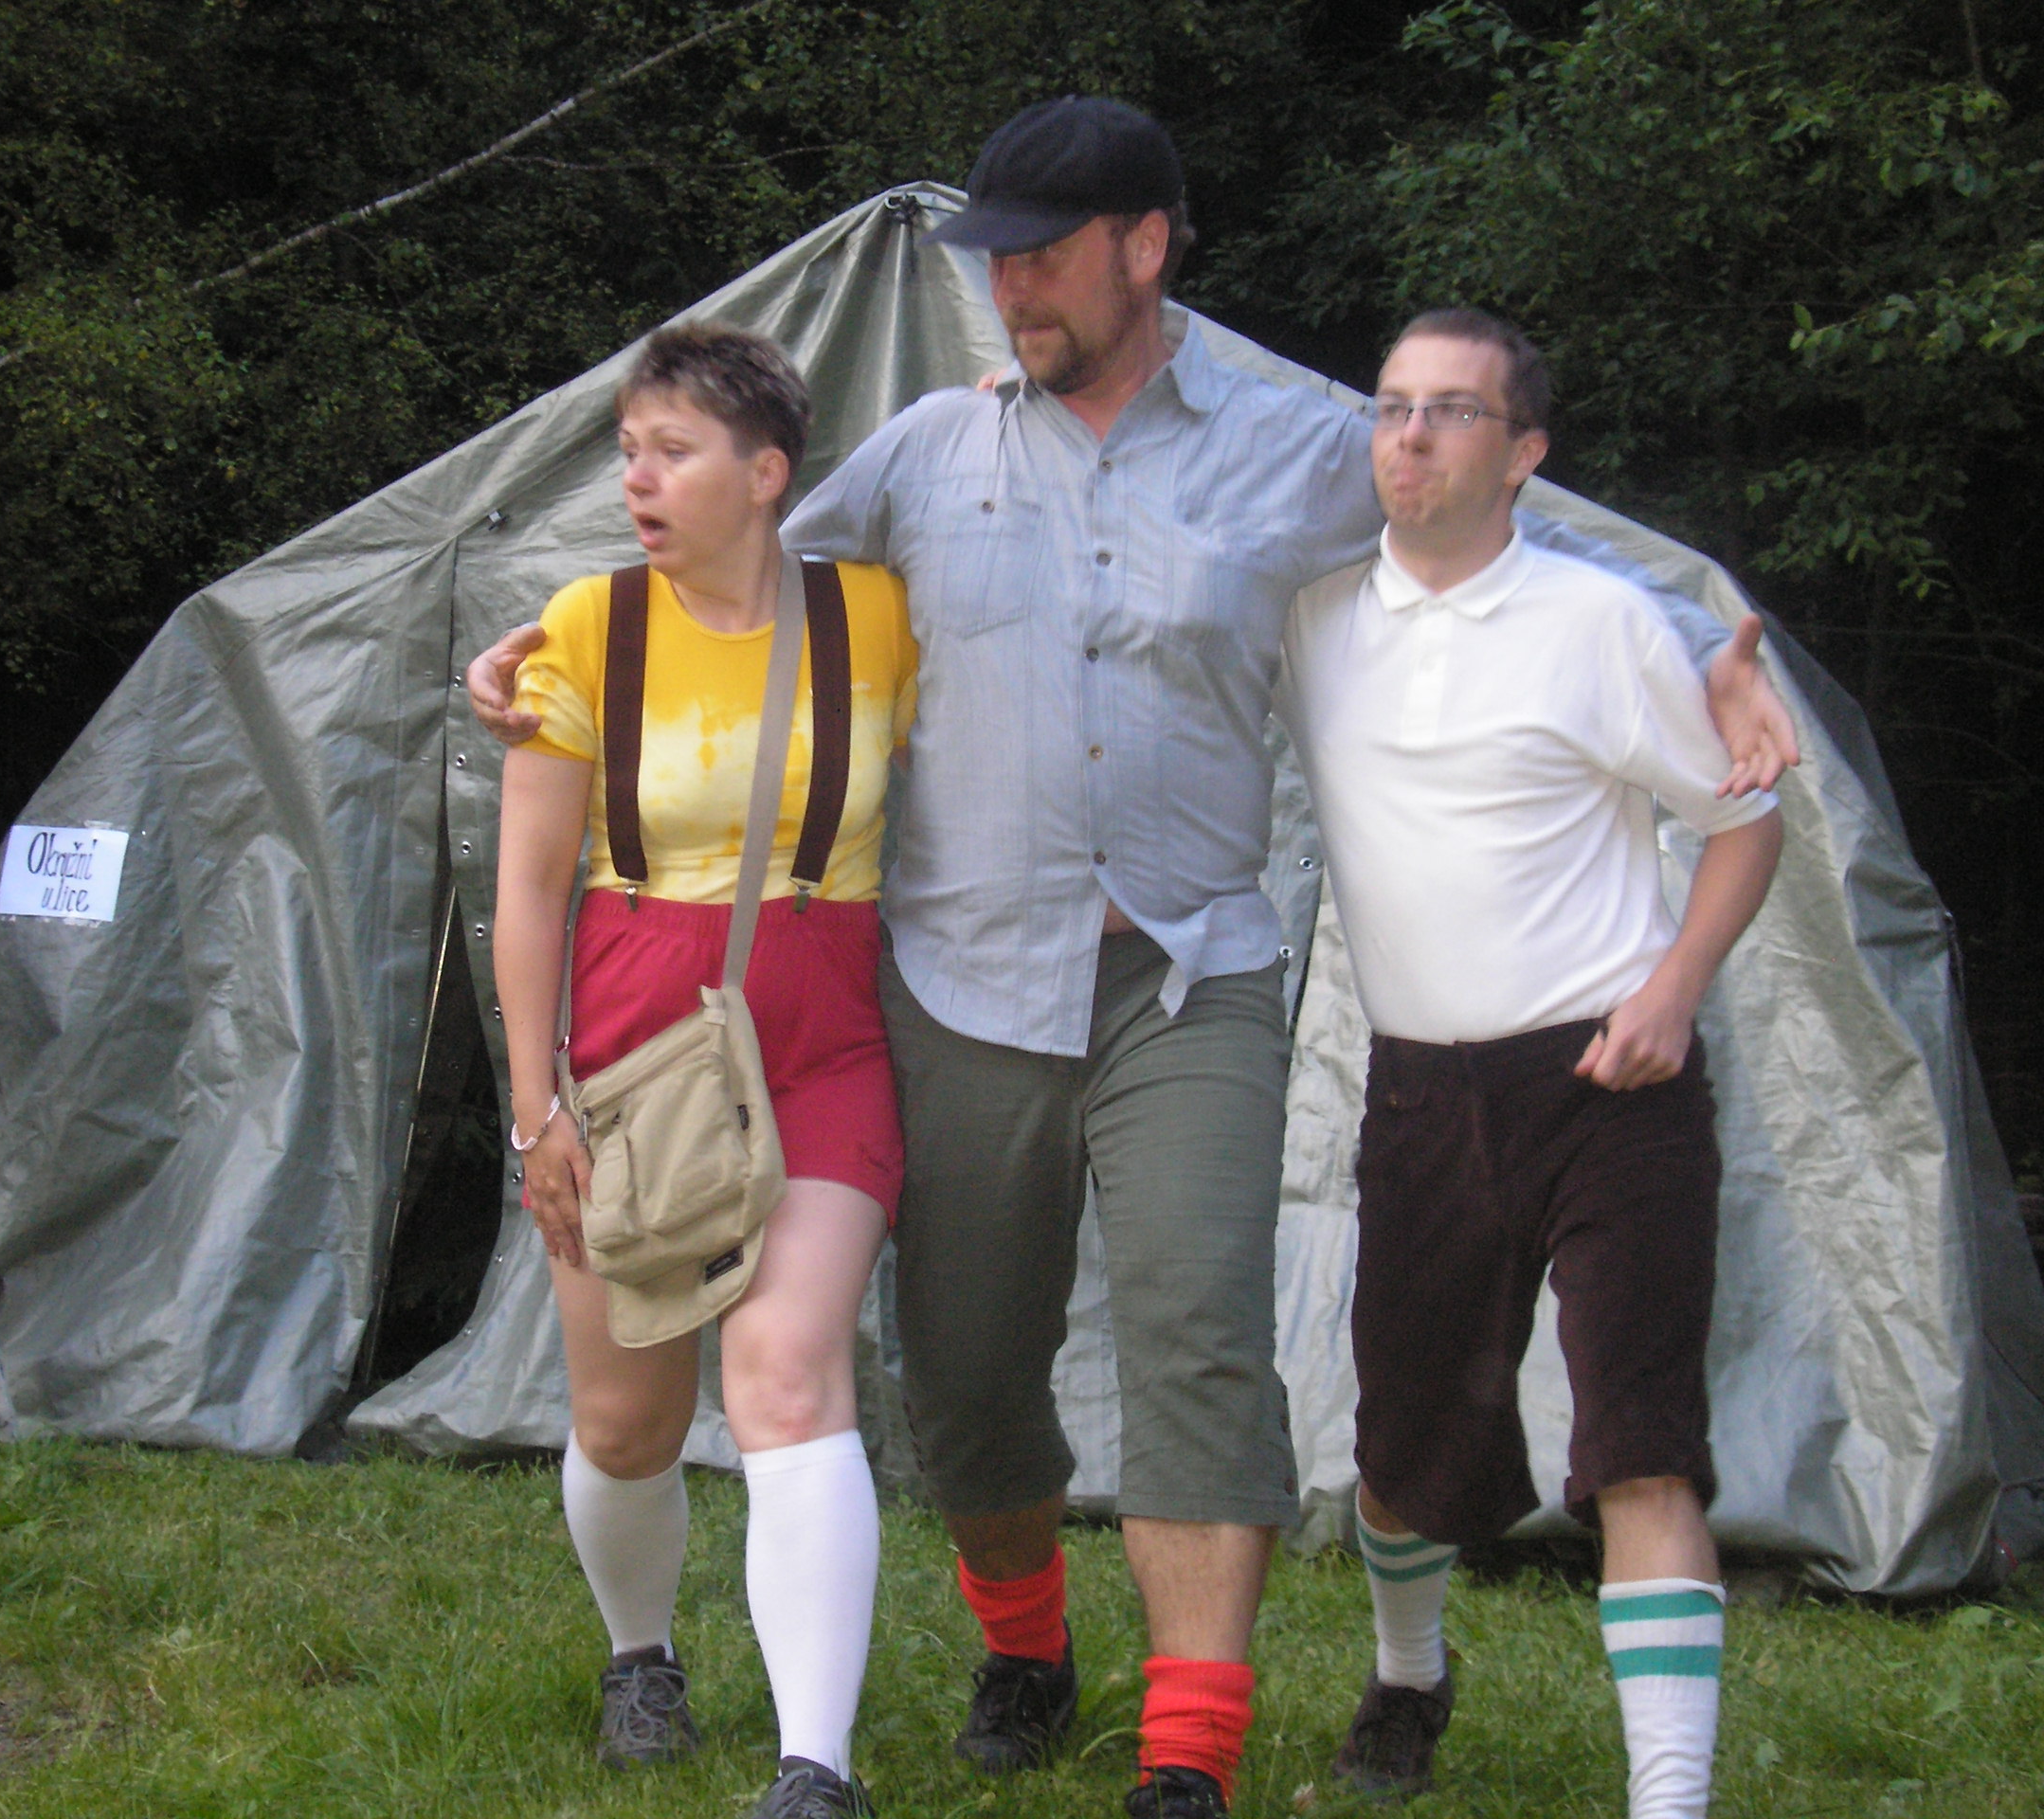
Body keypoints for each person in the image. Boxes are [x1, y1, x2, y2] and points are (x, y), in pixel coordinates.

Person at [473, 99, 1799, 1819]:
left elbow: (1485, 521)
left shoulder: (1298, 448)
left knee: (1198, 1344)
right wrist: (557, 638)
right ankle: (1026, 1651)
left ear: (1147, 248)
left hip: (1191, 975)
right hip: (963, 981)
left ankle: (1188, 1757)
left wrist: (1703, 644)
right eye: (998, 259)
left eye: (1042, 256)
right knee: (968, 1377)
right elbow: (739, 560)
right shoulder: (932, 453)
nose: (1010, 286)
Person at [1275, 311, 1780, 1817]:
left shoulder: (1601, 622)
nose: (1410, 436)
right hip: (1424, 1092)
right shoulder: (1308, 619)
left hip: (1615, 1087)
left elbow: (1745, 822)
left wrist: (1675, 992)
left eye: (1453, 412)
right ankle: (1409, 1676)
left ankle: (1668, 1800)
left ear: (1525, 454)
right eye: (1392, 407)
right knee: (1402, 1451)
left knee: (1643, 1445)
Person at [493, 324, 914, 1819]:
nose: (638, 480)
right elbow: (528, 887)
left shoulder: (878, 617)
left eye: (672, 452)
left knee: (786, 1370)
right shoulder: (584, 630)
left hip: (823, 1037)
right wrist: (538, 1109)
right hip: (634, 1053)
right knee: (628, 1422)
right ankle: (641, 1654)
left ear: (767, 471)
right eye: (630, 451)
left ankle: (816, 1769)